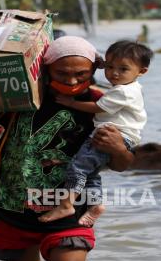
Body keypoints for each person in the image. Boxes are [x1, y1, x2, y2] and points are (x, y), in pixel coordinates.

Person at [0, 36, 135, 261]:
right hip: (14, 208)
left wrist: (118, 148)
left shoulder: (102, 105)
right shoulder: (19, 98)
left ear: (94, 69)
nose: (72, 80)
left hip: (69, 210)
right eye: (62, 73)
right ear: (46, 68)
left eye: (81, 74)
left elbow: (121, 165)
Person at [39, 40, 153, 226]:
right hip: (124, 136)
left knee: (77, 168)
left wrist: (71, 102)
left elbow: (98, 107)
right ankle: (95, 204)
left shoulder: (120, 93)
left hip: (108, 135)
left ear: (142, 71)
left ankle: (66, 204)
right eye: (109, 67)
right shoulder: (129, 88)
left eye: (123, 69)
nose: (114, 73)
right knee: (90, 173)